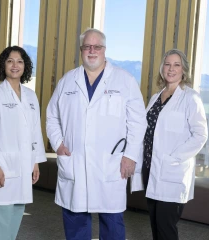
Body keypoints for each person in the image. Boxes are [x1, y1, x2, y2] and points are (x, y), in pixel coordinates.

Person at [46, 28, 147, 240]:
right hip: (75, 162)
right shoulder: (67, 81)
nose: (92, 51)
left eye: (97, 47)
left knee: (112, 222)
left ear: (104, 50)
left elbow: (138, 123)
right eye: (87, 47)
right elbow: (51, 116)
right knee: (75, 219)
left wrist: (130, 156)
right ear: (81, 50)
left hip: (110, 164)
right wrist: (58, 144)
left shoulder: (124, 80)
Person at [0, 46, 47, 240]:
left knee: (15, 218)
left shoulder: (31, 96)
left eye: (19, 61)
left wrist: (35, 161)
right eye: (10, 60)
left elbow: (35, 130)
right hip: (2, 166)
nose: (15, 65)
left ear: (25, 66)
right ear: (4, 65)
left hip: (24, 166)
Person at [142, 49, 208, 240]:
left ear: (184, 70)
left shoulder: (191, 98)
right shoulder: (156, 97)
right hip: (150, 168)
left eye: (176, 65)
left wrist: (174, 158)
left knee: (166, 227)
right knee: (155, 225)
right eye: (167, 64)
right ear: (162, 68)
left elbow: (200, 135)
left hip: (172, 171)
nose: (171, 69)